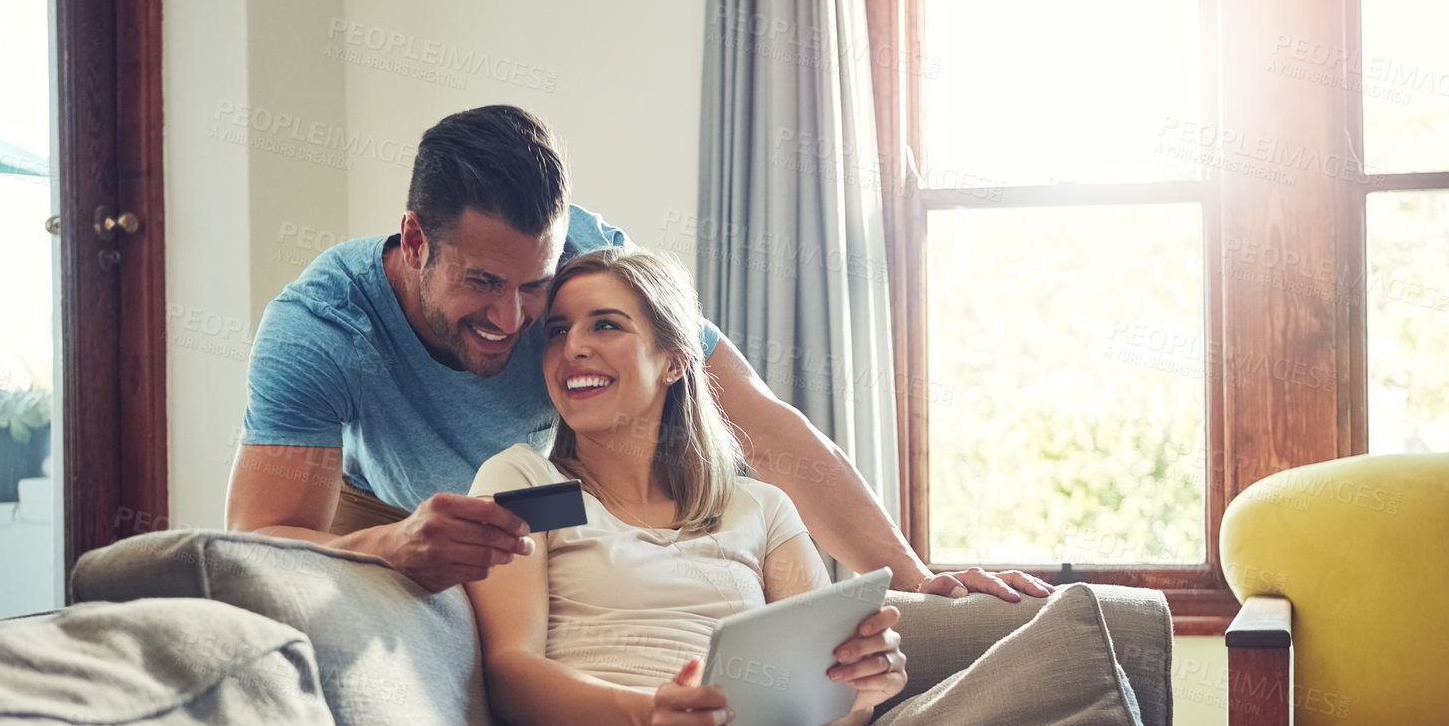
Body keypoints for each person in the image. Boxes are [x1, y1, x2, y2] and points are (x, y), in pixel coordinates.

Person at [463, 248, 1141, 726]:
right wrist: (648, 718)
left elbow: (825, 722)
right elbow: (509, 673)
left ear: (675, 361)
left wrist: (857, 687)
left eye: (605, 324)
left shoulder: (758, 509)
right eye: (557, 330)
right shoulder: (526, 480)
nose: (570, 346)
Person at [225, 104, 1052, 603]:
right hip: (384, 504)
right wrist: (394, 546)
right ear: (414, 240)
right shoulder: (320, 329)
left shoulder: (590, 258)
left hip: (531, 494)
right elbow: (259, 541)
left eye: (535, 287)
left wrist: (912, 576)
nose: (512, 319)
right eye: (482, 282)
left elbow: (759, 423)